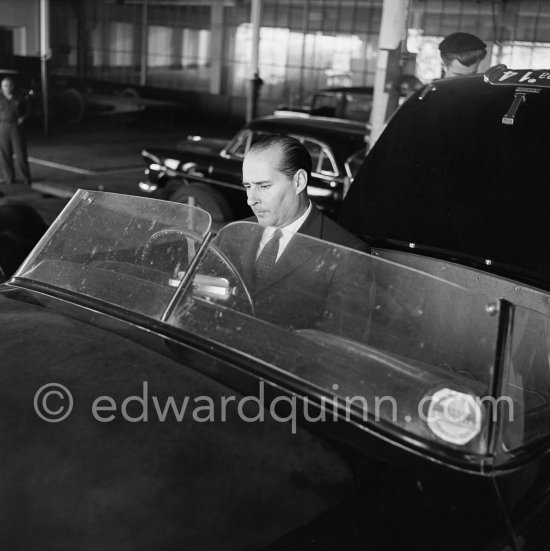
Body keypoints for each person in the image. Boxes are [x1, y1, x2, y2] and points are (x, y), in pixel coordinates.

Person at [214, 135, 375, 340]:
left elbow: (340, 349)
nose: (250, 200)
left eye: (263, 186)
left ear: (299, 181)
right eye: (248, 186)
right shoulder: (232, 233)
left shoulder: (348, 255)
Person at [0, 76, 32, 185]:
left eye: (9, 85)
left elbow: (28, 110)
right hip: (3, 127)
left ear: (13, 86)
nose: (7, 87)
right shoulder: (0, 98)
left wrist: (23, 118)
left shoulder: (19, 97)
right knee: (5, 154)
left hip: (16, 128)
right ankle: (9, 178)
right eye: (5, 85)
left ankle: (26, 178)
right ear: (1, 87)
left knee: (21, 154)